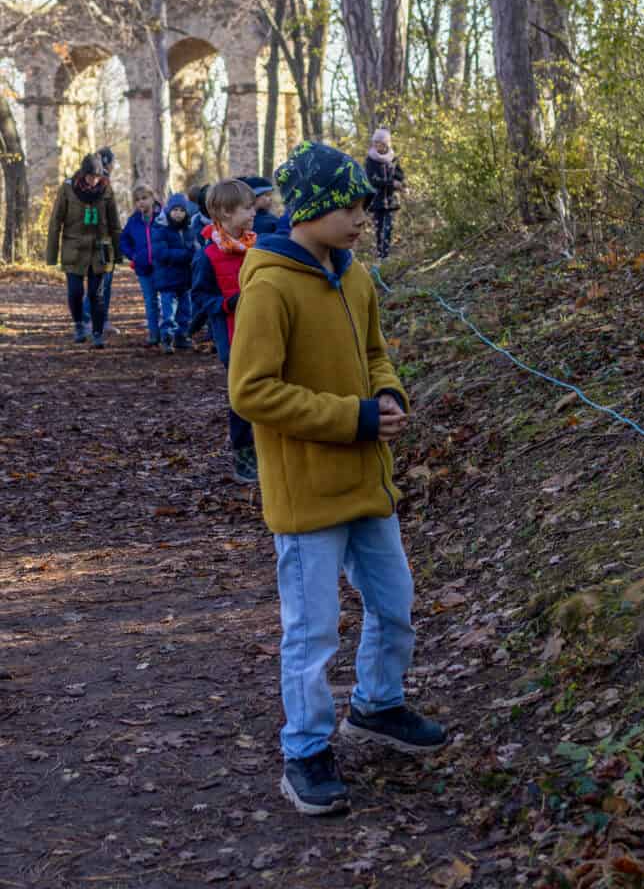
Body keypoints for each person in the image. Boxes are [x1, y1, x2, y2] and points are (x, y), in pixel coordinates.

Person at [229, 141, 447, 816]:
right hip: (307, 494)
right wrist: (354, 418)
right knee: (313, 630)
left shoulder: (355, 278)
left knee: (394, 603)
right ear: (312, 209)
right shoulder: (269, 286)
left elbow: (376, 354)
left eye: (364, 207)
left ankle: (378, 705)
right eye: (350, 208)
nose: (361, 219)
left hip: (367, 484)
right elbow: (251, 391)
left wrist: (388, 394)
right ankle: (304, 751)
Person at [191, 179, 259, 483]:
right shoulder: (208, 256)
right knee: (242, 397)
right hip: (232, 337)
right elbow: (200, 297)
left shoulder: (259, 247)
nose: (254, 213)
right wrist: (226, 303)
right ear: (226, 212)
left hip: (266, 331)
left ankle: (272, 449)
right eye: (248, 208)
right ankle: (244, 457)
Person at [46, 152, 122, 349]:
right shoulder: (68, 188)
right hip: (74, 249)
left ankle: (97, 333)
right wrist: (51, 255)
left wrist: (118, 253)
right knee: (75, 292)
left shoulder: (106, 189)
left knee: (97, 295)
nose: (94, 180)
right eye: (90, 176)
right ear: (82, 173)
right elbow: (55, 222)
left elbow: (114, 224)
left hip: (99, 250)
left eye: (97, 176)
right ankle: (79, 324)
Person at [119, 182, 163, 348]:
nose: (141, 202)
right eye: (137, 200)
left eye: (144, 198)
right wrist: (133, 256)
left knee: (167, 301)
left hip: (162, 266)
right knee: (150, 301)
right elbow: (124, 241)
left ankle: (170, 333)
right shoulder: (133, 221)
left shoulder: (162, 218)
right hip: (143, 269)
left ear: (152, 198)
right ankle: (154, 334)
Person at [152, 194, 196, 354]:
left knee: (185, 310)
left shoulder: (188, 230)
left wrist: (194, 253)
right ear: (168, 211)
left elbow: (194, 249)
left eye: (182, 210)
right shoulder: (160, 229)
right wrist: (186, 255)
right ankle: (167, 338)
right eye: (175, 210)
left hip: (184, 279)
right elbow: (162, 254)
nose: (178, 213)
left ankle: (181, 336)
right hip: (167, 280)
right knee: (168, 312)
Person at [84, 147, 119, 335]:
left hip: (99, 239)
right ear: (108, 162)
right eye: (113, 162)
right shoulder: (100, 183)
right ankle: (93, 320)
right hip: (101, 240)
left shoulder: (96, 181)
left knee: (100, 282)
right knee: (101, 283)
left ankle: (96, 319)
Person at [364, 128, 405, 261]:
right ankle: (380, 255)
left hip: (390, 200)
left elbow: (400, 174)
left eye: (379, 143)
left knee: (388, 228)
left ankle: (385, 255)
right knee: (379, 228)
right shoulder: (370, 160)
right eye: (375, 142)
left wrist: (400, 182)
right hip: (376, 200)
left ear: (386, 144)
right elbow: (373, 180)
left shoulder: (393, 158)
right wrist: (391, 183)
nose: (376, 145)